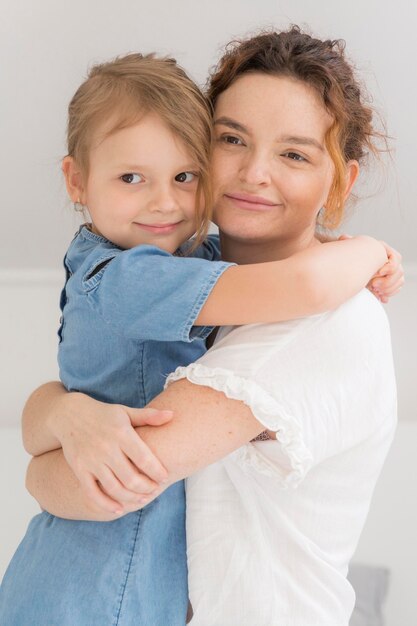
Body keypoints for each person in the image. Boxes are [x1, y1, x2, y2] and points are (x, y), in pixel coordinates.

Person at [1, 28, 401, 626]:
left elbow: (90, 481)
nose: (254, 173)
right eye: (231, 139)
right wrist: (59, 415)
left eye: (294, 154)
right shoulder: (185, 275)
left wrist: (50, 447)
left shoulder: (326, 323)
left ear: (340, 181)